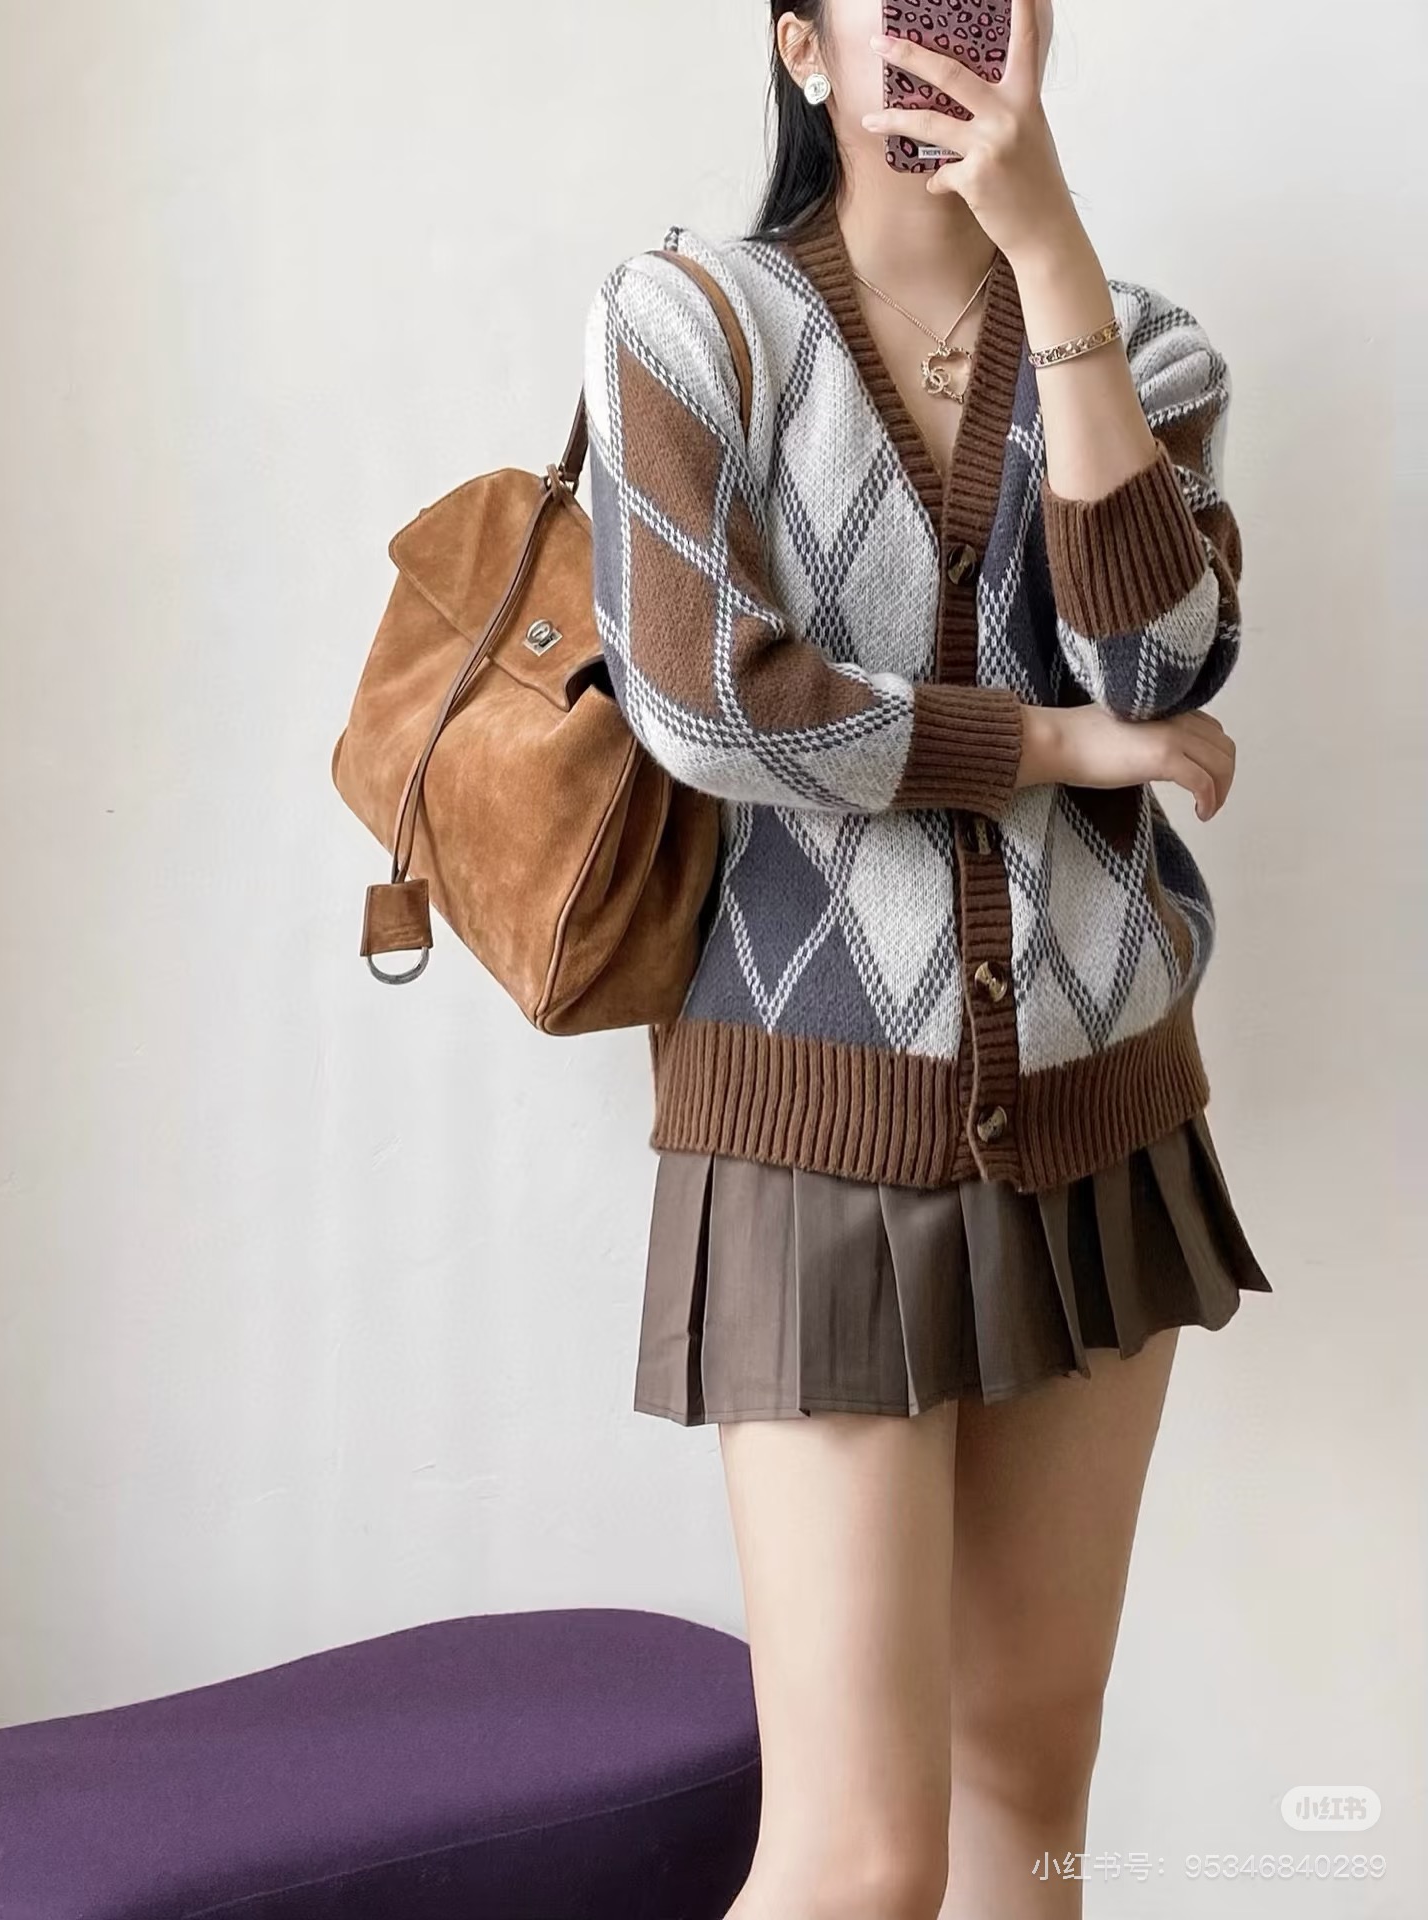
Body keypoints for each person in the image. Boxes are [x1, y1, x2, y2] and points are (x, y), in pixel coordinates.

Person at [581, 2, 1272, 1914]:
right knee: (857, 1859)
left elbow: (1159, 662)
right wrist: (1043, 746)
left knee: (1027, 1793)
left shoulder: (1148, 347)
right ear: (801, 50)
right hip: (814, 1137)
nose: (942, 27)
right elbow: (711, 702)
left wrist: (1052, 257)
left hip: (1104, 1121)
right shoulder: (691, 325)